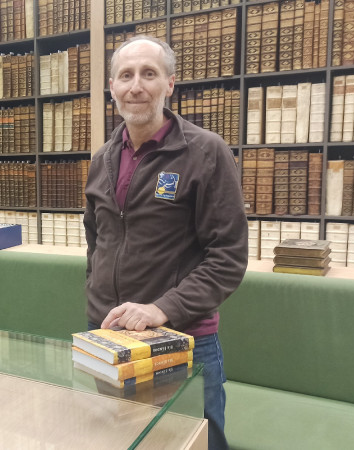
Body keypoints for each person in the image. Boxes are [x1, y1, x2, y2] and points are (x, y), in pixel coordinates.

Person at [83, 35, 248, 450]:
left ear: (170, 84)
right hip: (111, 338)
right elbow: (96, 241)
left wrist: (161, 309)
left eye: (149, 74)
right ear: (112, 88)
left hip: (181, 339)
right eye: (126, 76)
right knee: (120, 441)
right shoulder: (101, 158)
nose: (136, 86)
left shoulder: (206, 152)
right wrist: (97, 300)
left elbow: (228, 257)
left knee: (196, 444)